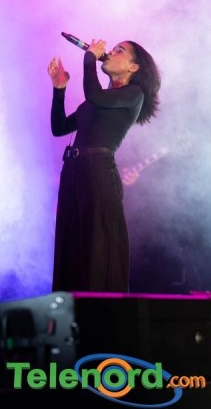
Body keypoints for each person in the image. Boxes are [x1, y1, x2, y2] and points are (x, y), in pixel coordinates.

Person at [48, 37, 160, 292]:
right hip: (73, 171)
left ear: (133, 67)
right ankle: (71, 309)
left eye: (119, 51)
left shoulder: (133, 94)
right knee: (70, 247)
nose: (110, 52)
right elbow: (59, 127)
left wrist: (89, 58)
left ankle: (102, 311)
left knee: (97, 250)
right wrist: (59, 90)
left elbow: (94, 94)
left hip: (98, 171)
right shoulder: (98, 100)